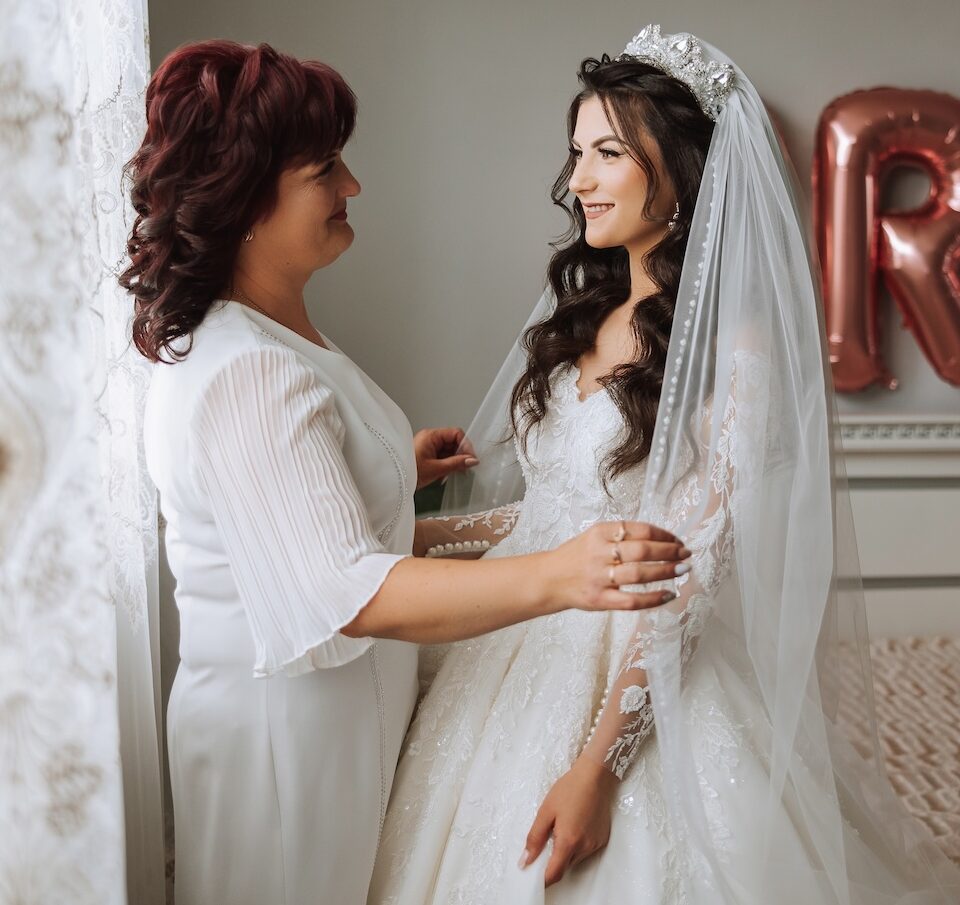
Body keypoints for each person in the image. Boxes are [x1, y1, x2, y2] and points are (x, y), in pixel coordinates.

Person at [369, 26, 960, 905]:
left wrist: (598, 769)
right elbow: (557, 518)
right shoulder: (586, 313)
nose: (578, 181)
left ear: (681, 170)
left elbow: (692, 571)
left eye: (608, 154)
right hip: (521, 638)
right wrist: (408, 534)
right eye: (577, 153)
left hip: (638, 661)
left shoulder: (737, 348)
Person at [122, 40, 689, 905]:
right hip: (286, 749)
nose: (352, 185)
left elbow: (298, 511)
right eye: (325, 169)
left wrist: (386, 470)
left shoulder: (275, 333)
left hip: (337, 723)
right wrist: (559, 573)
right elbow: (345, 591)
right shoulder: (248, 370)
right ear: (245, 196)